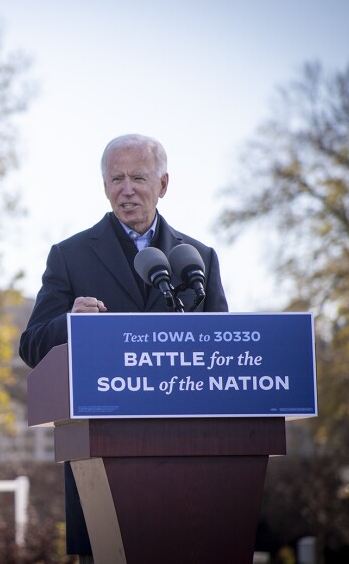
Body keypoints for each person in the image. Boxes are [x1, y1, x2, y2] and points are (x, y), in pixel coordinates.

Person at [18, 133, 229, 557]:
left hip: (189, 465)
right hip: (102, 463)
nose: (126, 189)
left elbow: (220, 352)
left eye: (138, 177)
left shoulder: (197, 259)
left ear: (163, 185)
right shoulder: (70, 255)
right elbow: (32, 345)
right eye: (116, 178)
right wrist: (70, 325)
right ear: (104, 187)